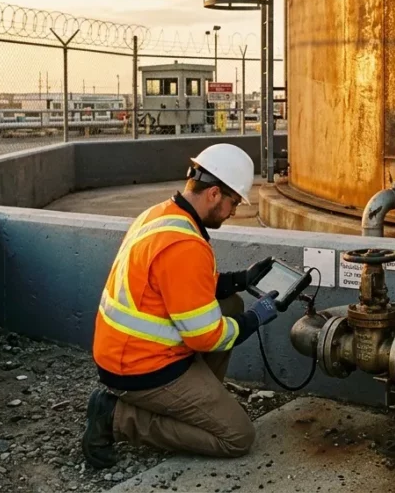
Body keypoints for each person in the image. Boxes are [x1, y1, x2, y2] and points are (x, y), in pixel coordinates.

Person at [81, 143, 281, 467]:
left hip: (124, 351)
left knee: (229, 303)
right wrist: (256, 319)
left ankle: (196, 405)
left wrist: (241, 279)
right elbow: (207, 337)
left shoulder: (162, 214)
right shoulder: (185, 245)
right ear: (214, 194)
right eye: (233, 202)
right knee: (237, 436)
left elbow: (185, 289)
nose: (233, 212)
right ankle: (115, 416)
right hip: (139, 367)